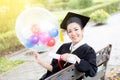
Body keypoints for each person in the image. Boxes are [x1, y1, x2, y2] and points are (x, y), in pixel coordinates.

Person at [33, 12, 97, 80]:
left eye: (76, 29)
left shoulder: (88, 50)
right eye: (69, 31)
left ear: (82, 30)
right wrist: (40, 61)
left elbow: (93, 71)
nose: (73, 33)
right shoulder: (64, 47)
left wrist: (76, 59)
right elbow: (54, 69)